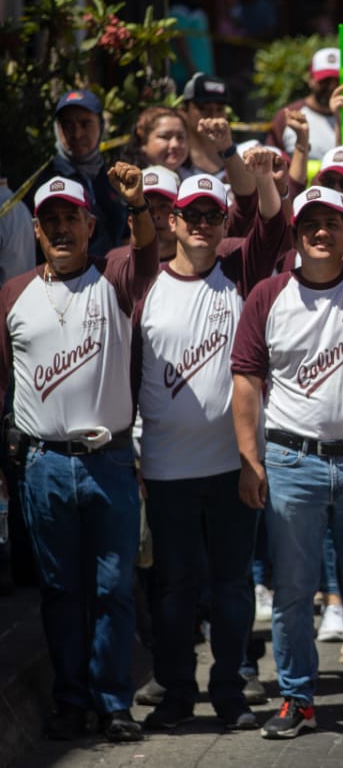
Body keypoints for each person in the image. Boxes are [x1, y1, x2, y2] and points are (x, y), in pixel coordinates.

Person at [230, 142, 343, 739]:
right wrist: (250, 459)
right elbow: (247, 380)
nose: (321, 233)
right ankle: (298, 699)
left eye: (333, 223)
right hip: (291, 462)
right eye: (310, 225)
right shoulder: (267, 295)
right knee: (293, 592)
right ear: (297, 235)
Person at [1, 165, 156, 742]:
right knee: (61, 592)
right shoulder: (13, 295)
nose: (62, 228)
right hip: (42, 466)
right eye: (51, 220)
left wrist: (137, 204)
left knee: (114, 589)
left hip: (109, 462)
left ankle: (114, 703)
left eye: (72, 218)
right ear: (37, 231)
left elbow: (145, 253)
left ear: (91, 225)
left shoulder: (113, 277)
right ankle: (70, 700)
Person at [133, 149, 285, 733]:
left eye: (212, 217)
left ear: (226, 225)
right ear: (170, 220)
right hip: (166, 467)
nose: (201, 225)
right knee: (173, 590)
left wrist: (252, 169)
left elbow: (272, 225)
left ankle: (229, 690)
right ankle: (175, 693)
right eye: (190, 215)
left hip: (232, 465)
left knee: (232, 585)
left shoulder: (241, 275)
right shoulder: (144, 284)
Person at [29, 90, 128, 256]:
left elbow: (126, 235)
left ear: (101, 126)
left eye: (85, 124)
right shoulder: (43, 183)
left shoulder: (113, 177)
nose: (77, 134)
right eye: (67, 125)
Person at [266, 47, 343, 162]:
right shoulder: (287, 116)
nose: (332, 87)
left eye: (338, 80)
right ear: (310, 79)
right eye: (325, 81)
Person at [169, 0, 214, 88]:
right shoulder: (177, 11)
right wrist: (192, 71)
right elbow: (180, 41)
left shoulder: (196, 10)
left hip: (203, 74)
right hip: (187, 77)